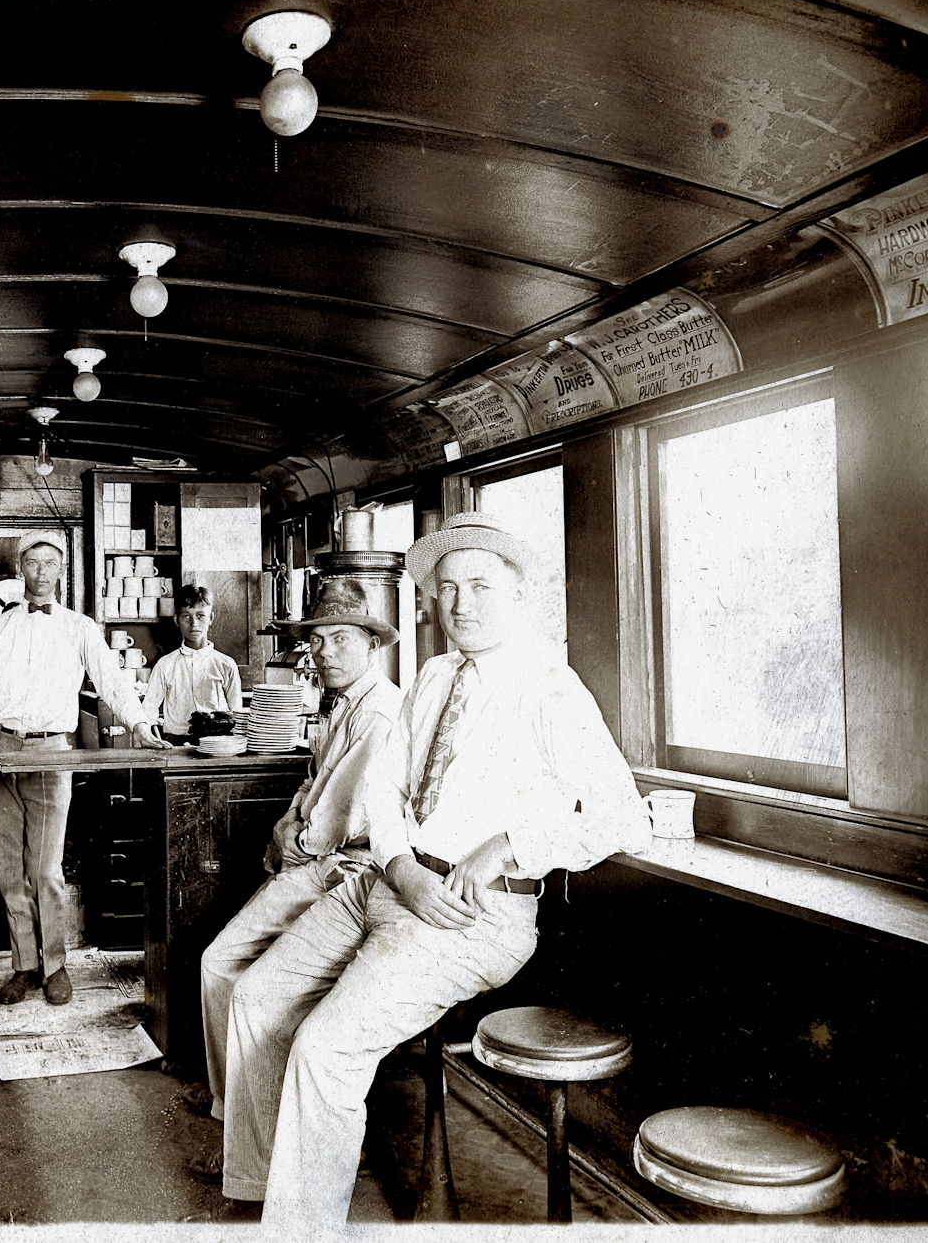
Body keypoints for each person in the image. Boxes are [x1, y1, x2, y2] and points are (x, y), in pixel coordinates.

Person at [220, 512, 653, 1227]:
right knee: (255, 996)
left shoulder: (548, 686)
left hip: (469, 913)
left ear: (517, 595)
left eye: (480, 585)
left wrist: (508, 844)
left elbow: (620, 813)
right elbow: (385, 792)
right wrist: (397, 863)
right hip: (392, 881)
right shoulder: (432, 675)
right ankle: (261, 1191)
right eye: (448, 588)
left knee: (324, 1048)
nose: (462, 604)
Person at [196, 579, 400, 1153]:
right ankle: (232, 1107)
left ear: (372, 645)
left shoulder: (379, 714)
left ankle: (242, 1122)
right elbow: (313, 784)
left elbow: (342, 815)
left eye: (340, 639)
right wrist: (286, 820)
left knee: (223, 966)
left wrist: (297, 844)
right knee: (224, 969)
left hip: (346, 871)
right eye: (318, 640)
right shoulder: (342, 705)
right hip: (315, 853)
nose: (325, 651)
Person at [0, 531, 168, 1006]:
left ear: (61, 572)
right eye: (33, 563)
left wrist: (138, 722)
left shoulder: (81, 628)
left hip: (53, 752)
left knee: (47, 870)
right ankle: (24, 967)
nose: (41, 572)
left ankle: (55, 966)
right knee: (10, 871)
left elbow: (112, 681)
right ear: (20, 570)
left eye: (51, 563)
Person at [141, 584, 244, 745]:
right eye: (186, 616)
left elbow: (236, 714)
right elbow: (148, 711)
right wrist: (158, 741)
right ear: (177, 620)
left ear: (210, 619)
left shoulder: (226, 664)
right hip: (176, 744)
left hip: (218, 744)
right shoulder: (165, 665)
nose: (194, 623)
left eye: (200, 615)